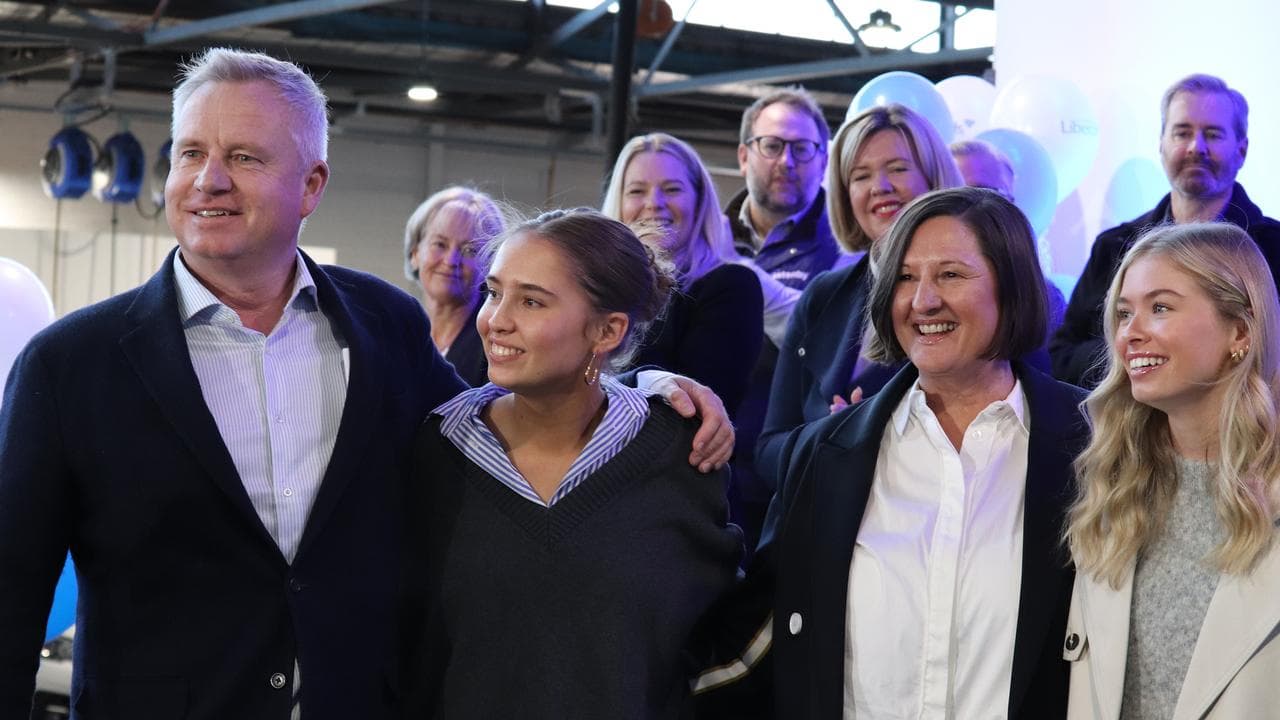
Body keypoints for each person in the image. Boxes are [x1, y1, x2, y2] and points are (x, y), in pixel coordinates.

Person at [0, 48, 733, 720]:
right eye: (191, 152)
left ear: (312, 183)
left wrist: (647, 389)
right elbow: (12, 594)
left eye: (244, 156)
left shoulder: (383, 324)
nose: (207, 178)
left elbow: (506, 414)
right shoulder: (69, 365)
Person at [696, 187, 1086, 719]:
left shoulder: (1093, 443)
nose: (923, 300)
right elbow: (760, 636)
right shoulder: (824, 455)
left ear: (1011, 285)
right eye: (904, 277)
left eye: (950, 274)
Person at [402, 209, 742, 718]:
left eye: (532, 301)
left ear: (607, 332)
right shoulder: (437, 447)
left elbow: (715, 633)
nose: (497, 319)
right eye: (495, 292)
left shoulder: (679, 451)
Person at [1063, 223, 1280, 719]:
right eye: (1123, 313)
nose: (1130, 333)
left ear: (1240, 332)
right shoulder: (1109, 485)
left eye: (1159, 307)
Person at [755, 102, 963, 484]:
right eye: (860, 176)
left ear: (934, 179)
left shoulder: (972, 292)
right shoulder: (822, 297)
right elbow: (768, 451)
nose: (879, 187)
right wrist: (828, 439)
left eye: (898, 169)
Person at [1050, 73, 1280, 388]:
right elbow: (1063, 355)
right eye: (1182, 132)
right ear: (1161, 143)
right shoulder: (1116, 246)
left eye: (1212, 134)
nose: (1196, 147)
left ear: (1241, 150)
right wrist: (1142, 357)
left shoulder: (1274, 247)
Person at [602, 132, 764, 418]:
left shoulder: (730, 286)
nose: (654, 202)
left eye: (672, 189)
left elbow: (695, 410)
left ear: (699, 200)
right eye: (637, 191)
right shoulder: (597, 294)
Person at [951, 138, 1067, 336]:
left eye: (983, 192)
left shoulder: (1042, 299)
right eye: (954, 194)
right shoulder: (912, 290)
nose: (968, 206)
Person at [403, 186, 505, 386]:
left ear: (490, 264)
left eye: (470, 250)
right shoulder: (397, 337)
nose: (451, 260)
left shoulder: (496, 345)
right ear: (415, 254)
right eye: (440, 244)